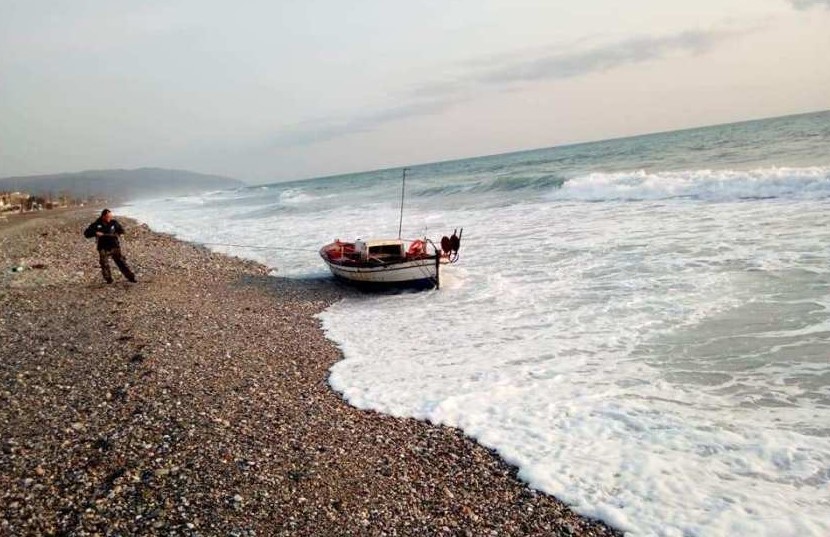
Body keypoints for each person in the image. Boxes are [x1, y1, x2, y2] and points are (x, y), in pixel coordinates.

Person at [83, 209, 137, 284]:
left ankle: (131, 277)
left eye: (111, 217)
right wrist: (95, 233)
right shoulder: (96, 224)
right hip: (103, 247)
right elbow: (86, 233)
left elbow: (121, 231)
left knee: (121, 262)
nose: (110, 218)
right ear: (103, 216)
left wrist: (119, 234)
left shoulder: (114, 223)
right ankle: (108, 279)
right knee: (104, 264)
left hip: (114, 246)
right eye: (108, 217)